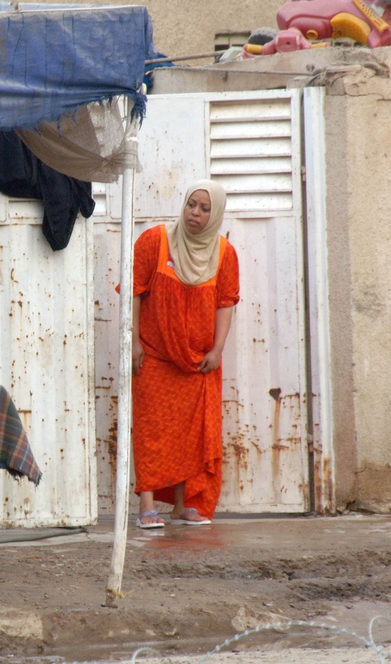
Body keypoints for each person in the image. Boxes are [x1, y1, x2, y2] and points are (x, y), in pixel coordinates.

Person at [128, 179, 240, 528]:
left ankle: (181, 506)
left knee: (190, 435)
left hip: (198, 362)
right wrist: (133, 340)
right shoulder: (155, 241)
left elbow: (225, 303)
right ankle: (147, 505)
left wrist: (218, 349)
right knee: (152, 430)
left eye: (205, 208)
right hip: (155, 356)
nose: (196, 213)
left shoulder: (224, 253)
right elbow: (133, 291)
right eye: (192, 204)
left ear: (216, 213)